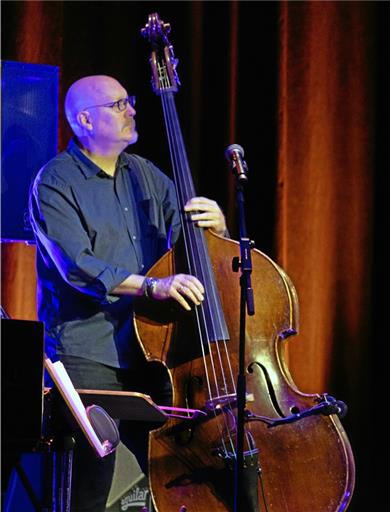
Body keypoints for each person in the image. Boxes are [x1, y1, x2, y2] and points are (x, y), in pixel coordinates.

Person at [28, 75, 228, 512]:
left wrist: (217, 230)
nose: (131, 111)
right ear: (84, 120)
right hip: (89, 354)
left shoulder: (146, 175)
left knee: (158, 483)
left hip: (153, 352)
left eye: (129, 102)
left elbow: (188, 248)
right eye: (119, 105)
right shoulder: (54, 183)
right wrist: (154, 286)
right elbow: (77, 266)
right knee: (91, 489)